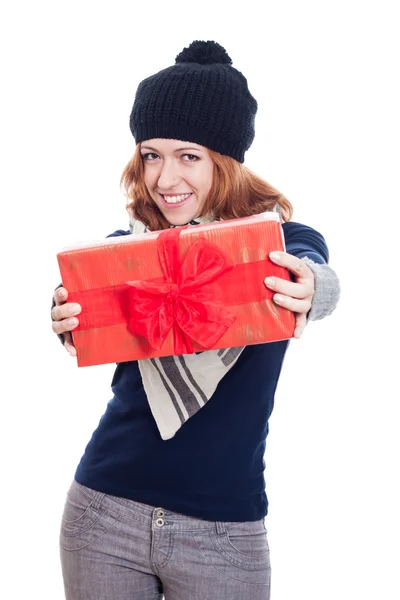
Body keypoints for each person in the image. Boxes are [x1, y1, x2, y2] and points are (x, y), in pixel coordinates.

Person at [51, 40, 340, 600]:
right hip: (102, 514)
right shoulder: (125, 253)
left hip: (223, 535)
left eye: (189, 155)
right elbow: (78, 300)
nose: (165, 178)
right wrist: (63, 313)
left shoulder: (278, 243)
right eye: (151, 155)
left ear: (223, 161)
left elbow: (316, 272)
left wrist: (314, 289)